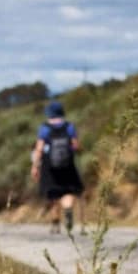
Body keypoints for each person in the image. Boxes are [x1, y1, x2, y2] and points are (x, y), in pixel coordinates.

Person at [31, 100, 83, 234]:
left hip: (49, 165)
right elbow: (76, 146)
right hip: (68, 164)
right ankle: (68, 209)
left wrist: (35, 166)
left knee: (53, 193)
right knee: (68, 190)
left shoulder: (45, 128)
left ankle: (55, 224)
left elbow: (39, 148)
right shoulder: (69, 126)